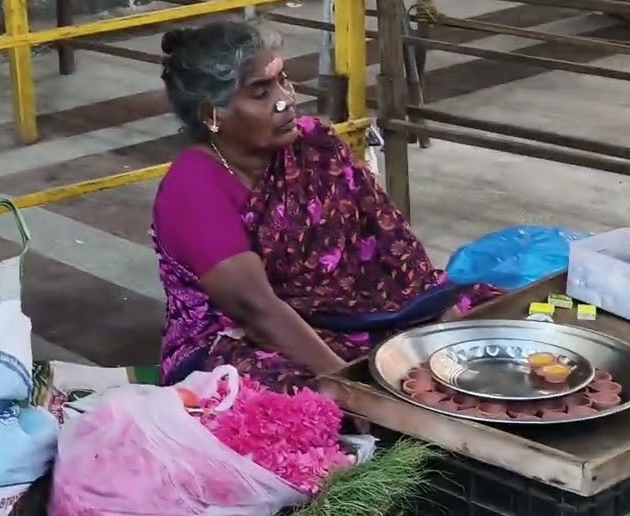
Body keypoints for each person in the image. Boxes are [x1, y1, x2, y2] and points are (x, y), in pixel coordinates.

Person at [152, 21, 498, 392]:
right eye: (261, 92)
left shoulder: (314, 146)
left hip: (339, 314)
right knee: (293, 401)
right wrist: (350, 384)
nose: (285, 100)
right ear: (212, 115)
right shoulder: (193, 189)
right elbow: (254, 310)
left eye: (284, 81)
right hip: (233, 338)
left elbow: (387, 239)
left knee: (476, 330)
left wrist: (429, 306)